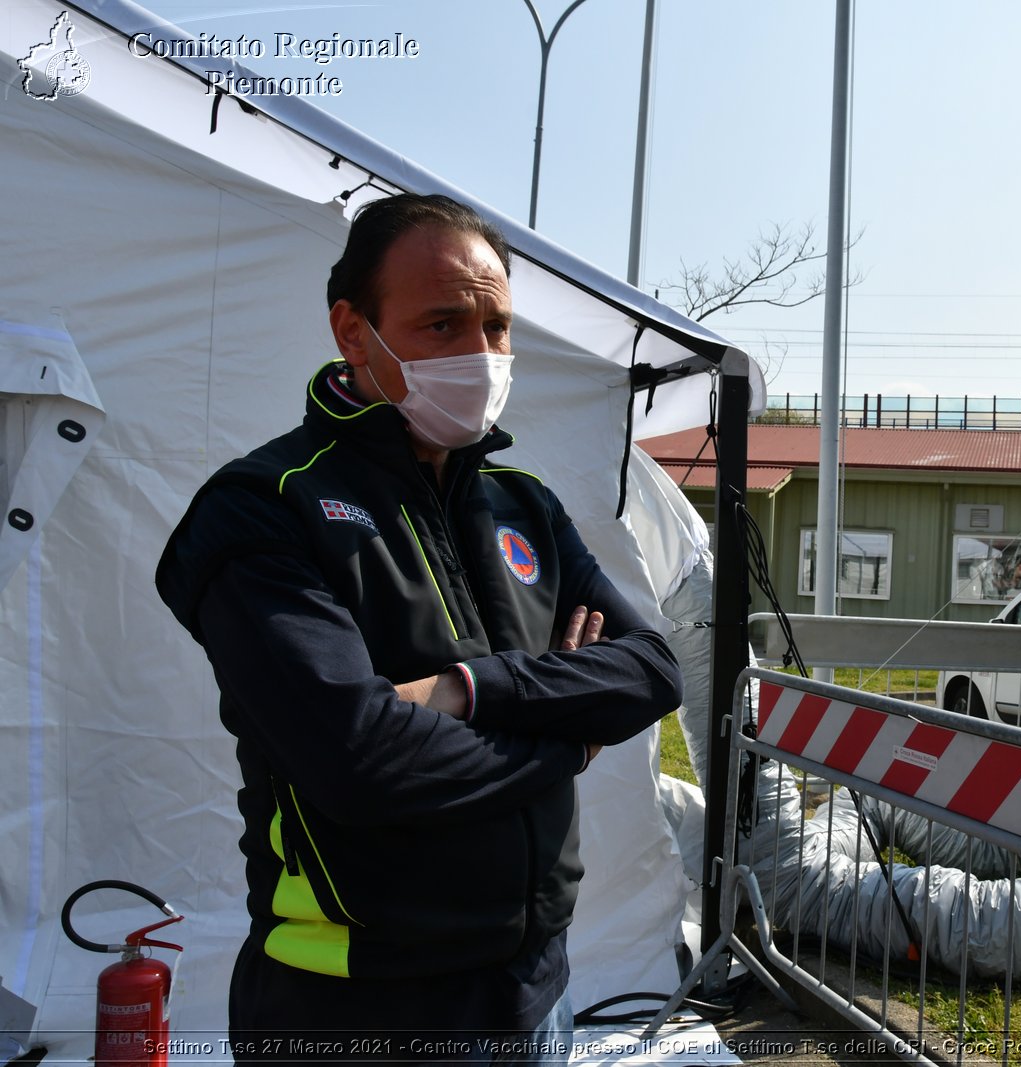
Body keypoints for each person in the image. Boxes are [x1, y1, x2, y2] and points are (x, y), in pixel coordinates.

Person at [155, 193, 683, 1063]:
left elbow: (651, 671)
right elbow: (360, 759)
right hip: (356, 1009)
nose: (480, 354)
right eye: (442, 324)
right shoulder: (263, 508)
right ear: (353, 332)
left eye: (497, 325)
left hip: (537, 986)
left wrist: (469, 690)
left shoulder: (523, 504)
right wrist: (567, 742)